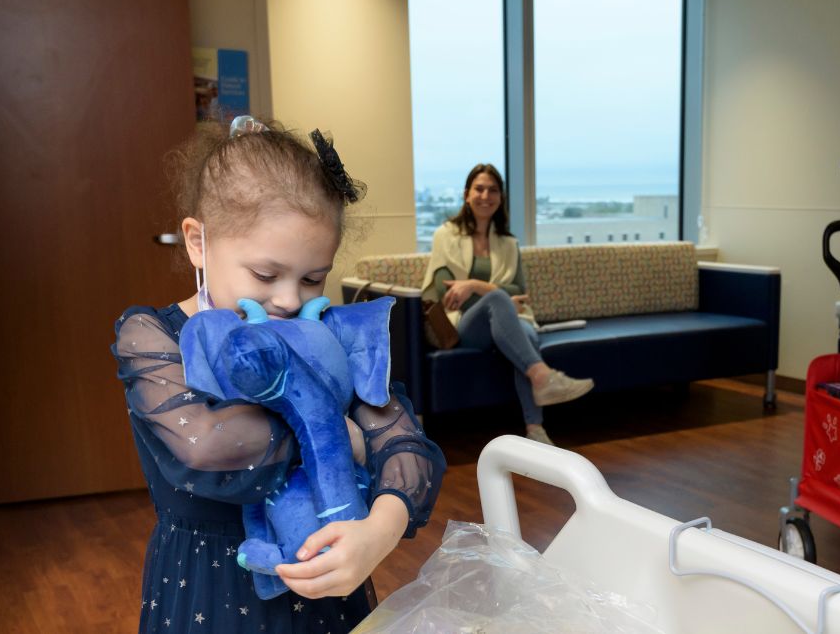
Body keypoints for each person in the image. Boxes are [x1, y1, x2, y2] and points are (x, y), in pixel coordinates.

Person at [112, 116, 445, 633]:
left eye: (314, 278)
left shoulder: (326, 339)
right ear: (198, 243)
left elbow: (408, 448)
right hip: (204, 589)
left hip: (322, 592)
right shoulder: (152, 335)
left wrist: (379, 532)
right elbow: (208, 448)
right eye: (266, 275)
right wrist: (344, 437)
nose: (291, 300)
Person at [420, 163, 594, 446]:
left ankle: (535, 429)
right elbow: (446, 292)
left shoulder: (508, 243)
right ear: (467, 194)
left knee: (524, 335)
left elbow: (520, 292)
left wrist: (474, 286)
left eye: (493, 190)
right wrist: (495, 295)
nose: (485, 195)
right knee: (499, 300)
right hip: (463, 326)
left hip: (504, 325)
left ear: (500, 198)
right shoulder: (446, 235)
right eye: (479, 189)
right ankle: (544, 377)